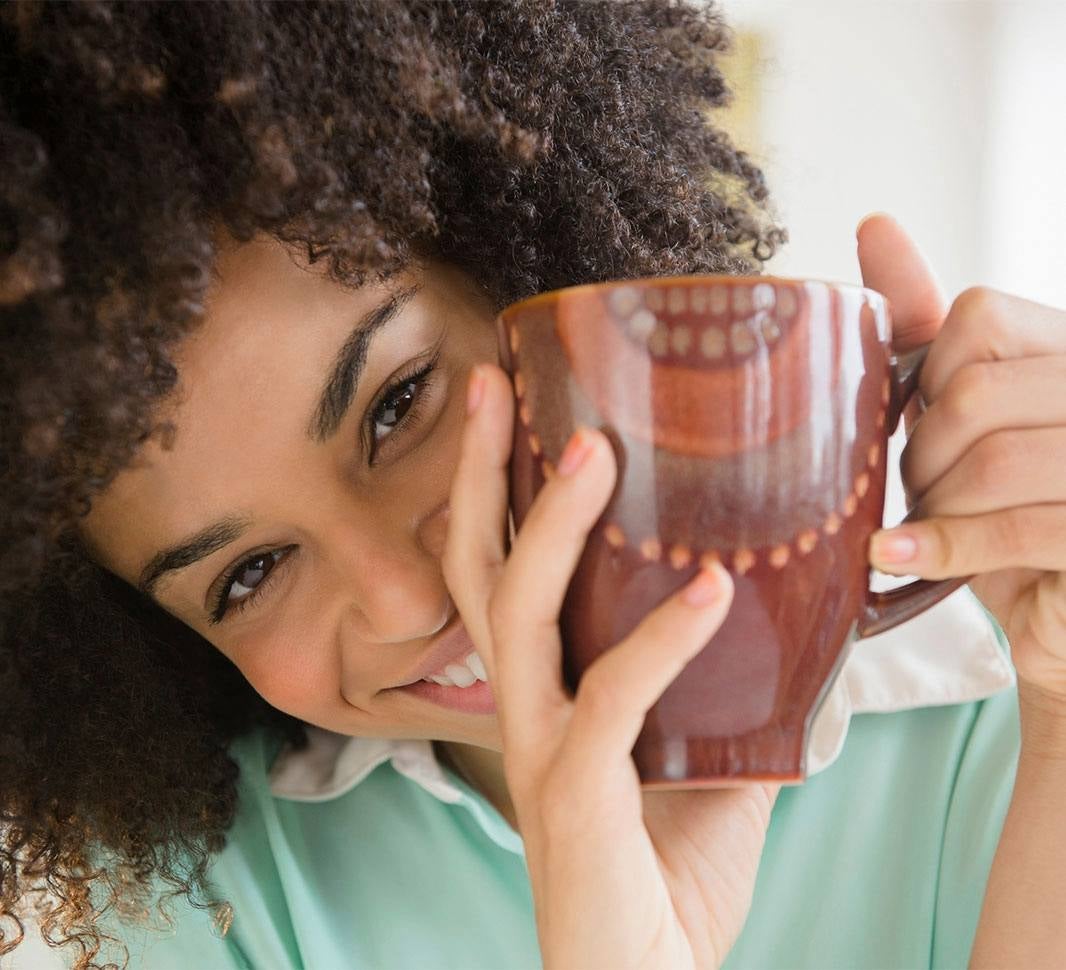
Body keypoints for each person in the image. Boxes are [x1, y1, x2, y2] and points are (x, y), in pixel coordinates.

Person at [1, 2, 1063, 968]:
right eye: (249, 574)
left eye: (394, 404)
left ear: (536, 263)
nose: (410, 598)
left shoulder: (1008, 705)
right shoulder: (219, 904)